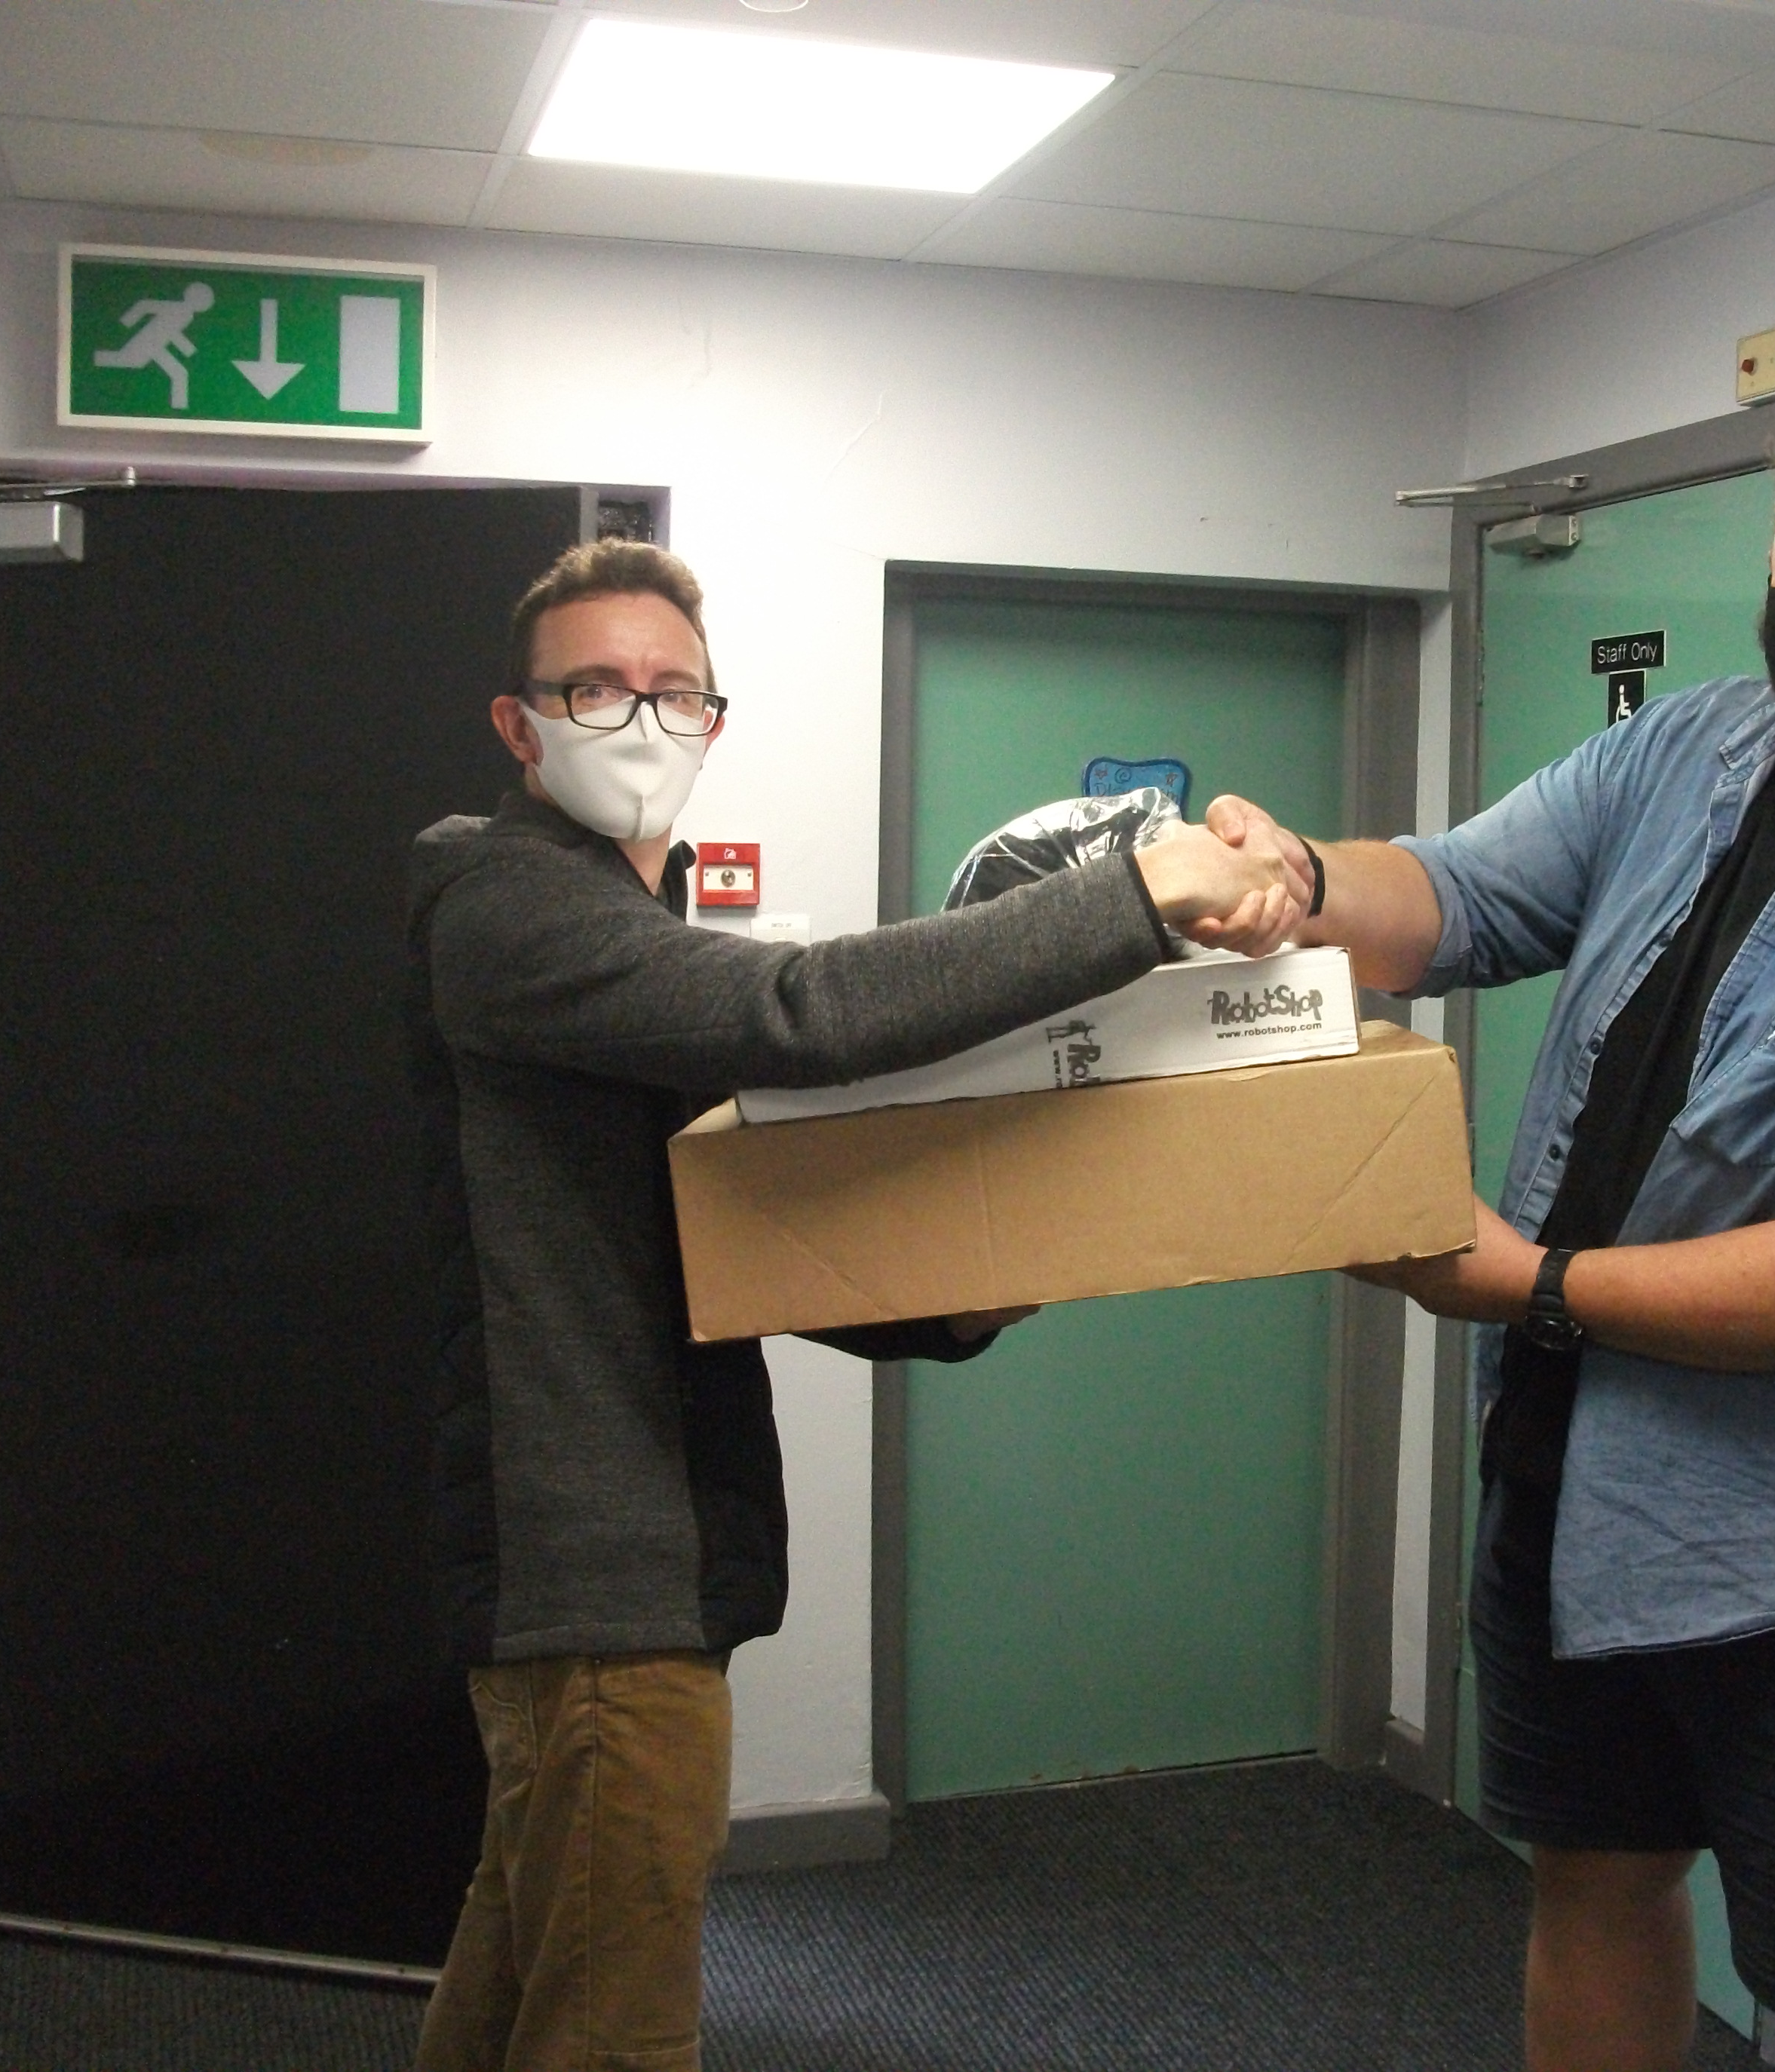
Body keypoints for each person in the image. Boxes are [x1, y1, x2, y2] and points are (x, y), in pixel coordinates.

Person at [1200, 388, 1775, 2072]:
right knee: (1592, 1882)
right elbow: (1462, 894)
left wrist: (1522, 1284)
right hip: (1579, 1481)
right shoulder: (1691, 745)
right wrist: (1297, 879)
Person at [406, 538, 1296, 2072]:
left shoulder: (626, 933)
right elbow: (799, 1017)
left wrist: (944, 1306)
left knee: (524, 1960)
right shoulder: (508, 907)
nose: (636, 721)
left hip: (636, 1554)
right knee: (609, 2022)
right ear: (517, 726)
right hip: (593, 1575)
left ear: (714, 720)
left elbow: (721, 1224)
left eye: (670, 691)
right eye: (592, 688)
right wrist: (1137, 895)